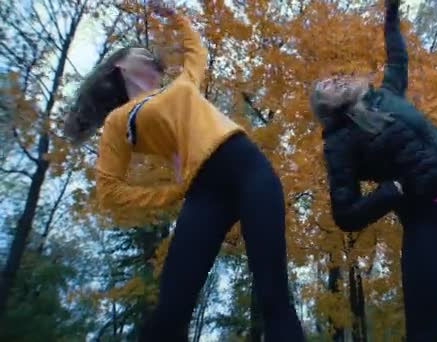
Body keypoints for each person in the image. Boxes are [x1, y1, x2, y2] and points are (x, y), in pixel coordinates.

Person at [63, 3, 304, 341]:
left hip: (248, 167)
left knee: (273, 293)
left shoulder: (181, 84)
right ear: (120, 64)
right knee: (171, 307)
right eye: (141, 52)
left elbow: (197, 52)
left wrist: (176, 16)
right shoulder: (118, 122)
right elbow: (109, 189)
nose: (149, 56)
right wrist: (170, 193)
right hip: (204, 192)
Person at [309, 0, 437, 341]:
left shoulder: (386, 95)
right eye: (325, 87)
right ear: (324, 106)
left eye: (334, 77)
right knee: (423, 327)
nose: (334, 80)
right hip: (426, 221)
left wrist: (391, 12)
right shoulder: (339, 141)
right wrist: (390, 191)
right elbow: (345, 213)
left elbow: (397, 57)